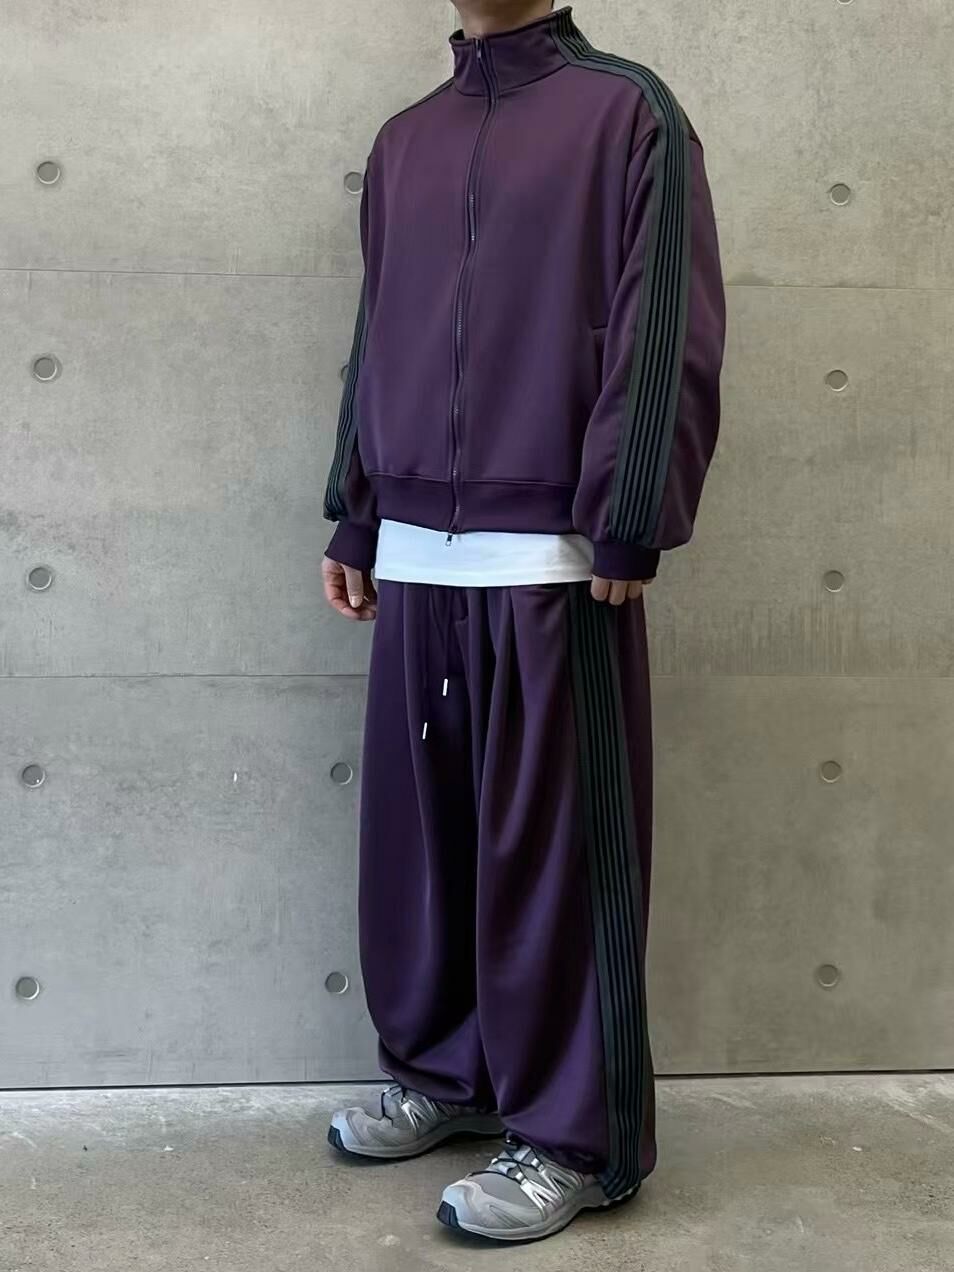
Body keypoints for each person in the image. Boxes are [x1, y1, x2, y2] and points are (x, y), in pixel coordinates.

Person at [321, 0, 725, 1244]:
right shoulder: (406, 140)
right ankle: (443, 1075)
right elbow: (379, 330)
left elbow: (666, 318)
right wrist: (355, 512)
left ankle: (575, 1140)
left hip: (556, 555)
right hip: (415, 554)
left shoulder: (630, 114)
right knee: (421, 848)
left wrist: (629, 510)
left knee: (556, 860)